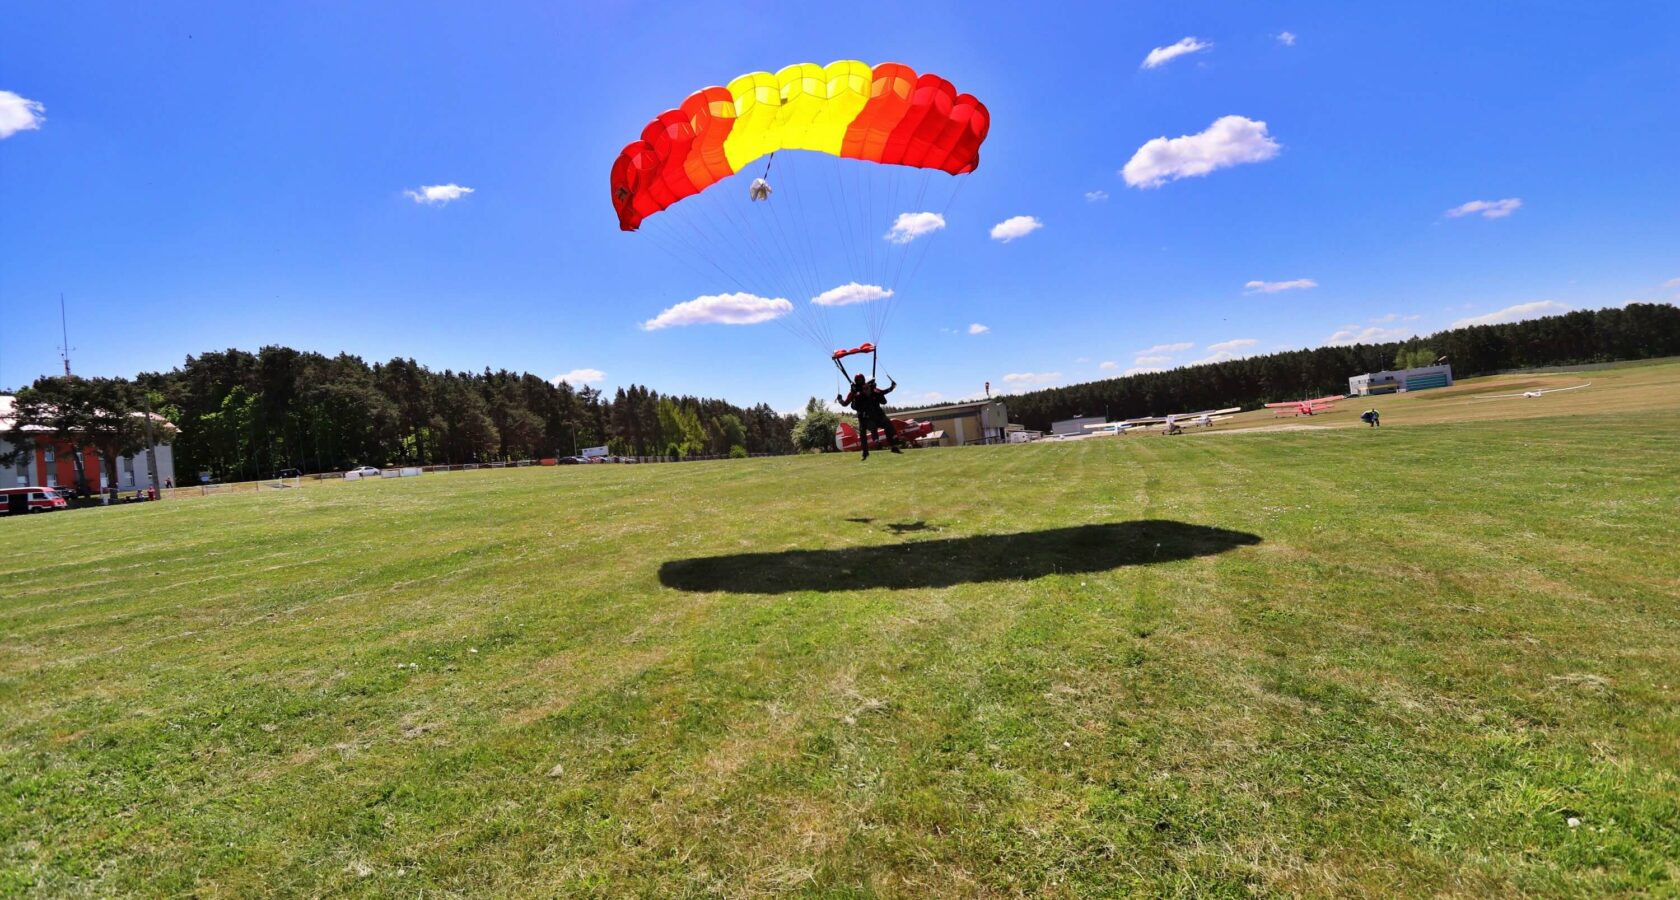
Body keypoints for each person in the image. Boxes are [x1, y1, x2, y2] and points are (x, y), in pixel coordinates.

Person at [837, 373, 902, 460]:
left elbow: (882, 392)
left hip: (875, 415)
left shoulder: (871, 387)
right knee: (864, 433)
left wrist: (892, 387)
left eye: (861, 380)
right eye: (858, 380)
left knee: (887, 424)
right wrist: (840, 400)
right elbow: (845, 403)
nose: (866, 390)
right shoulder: (854, 391)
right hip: (864, 418)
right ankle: (865, 453)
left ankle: (893, 446)